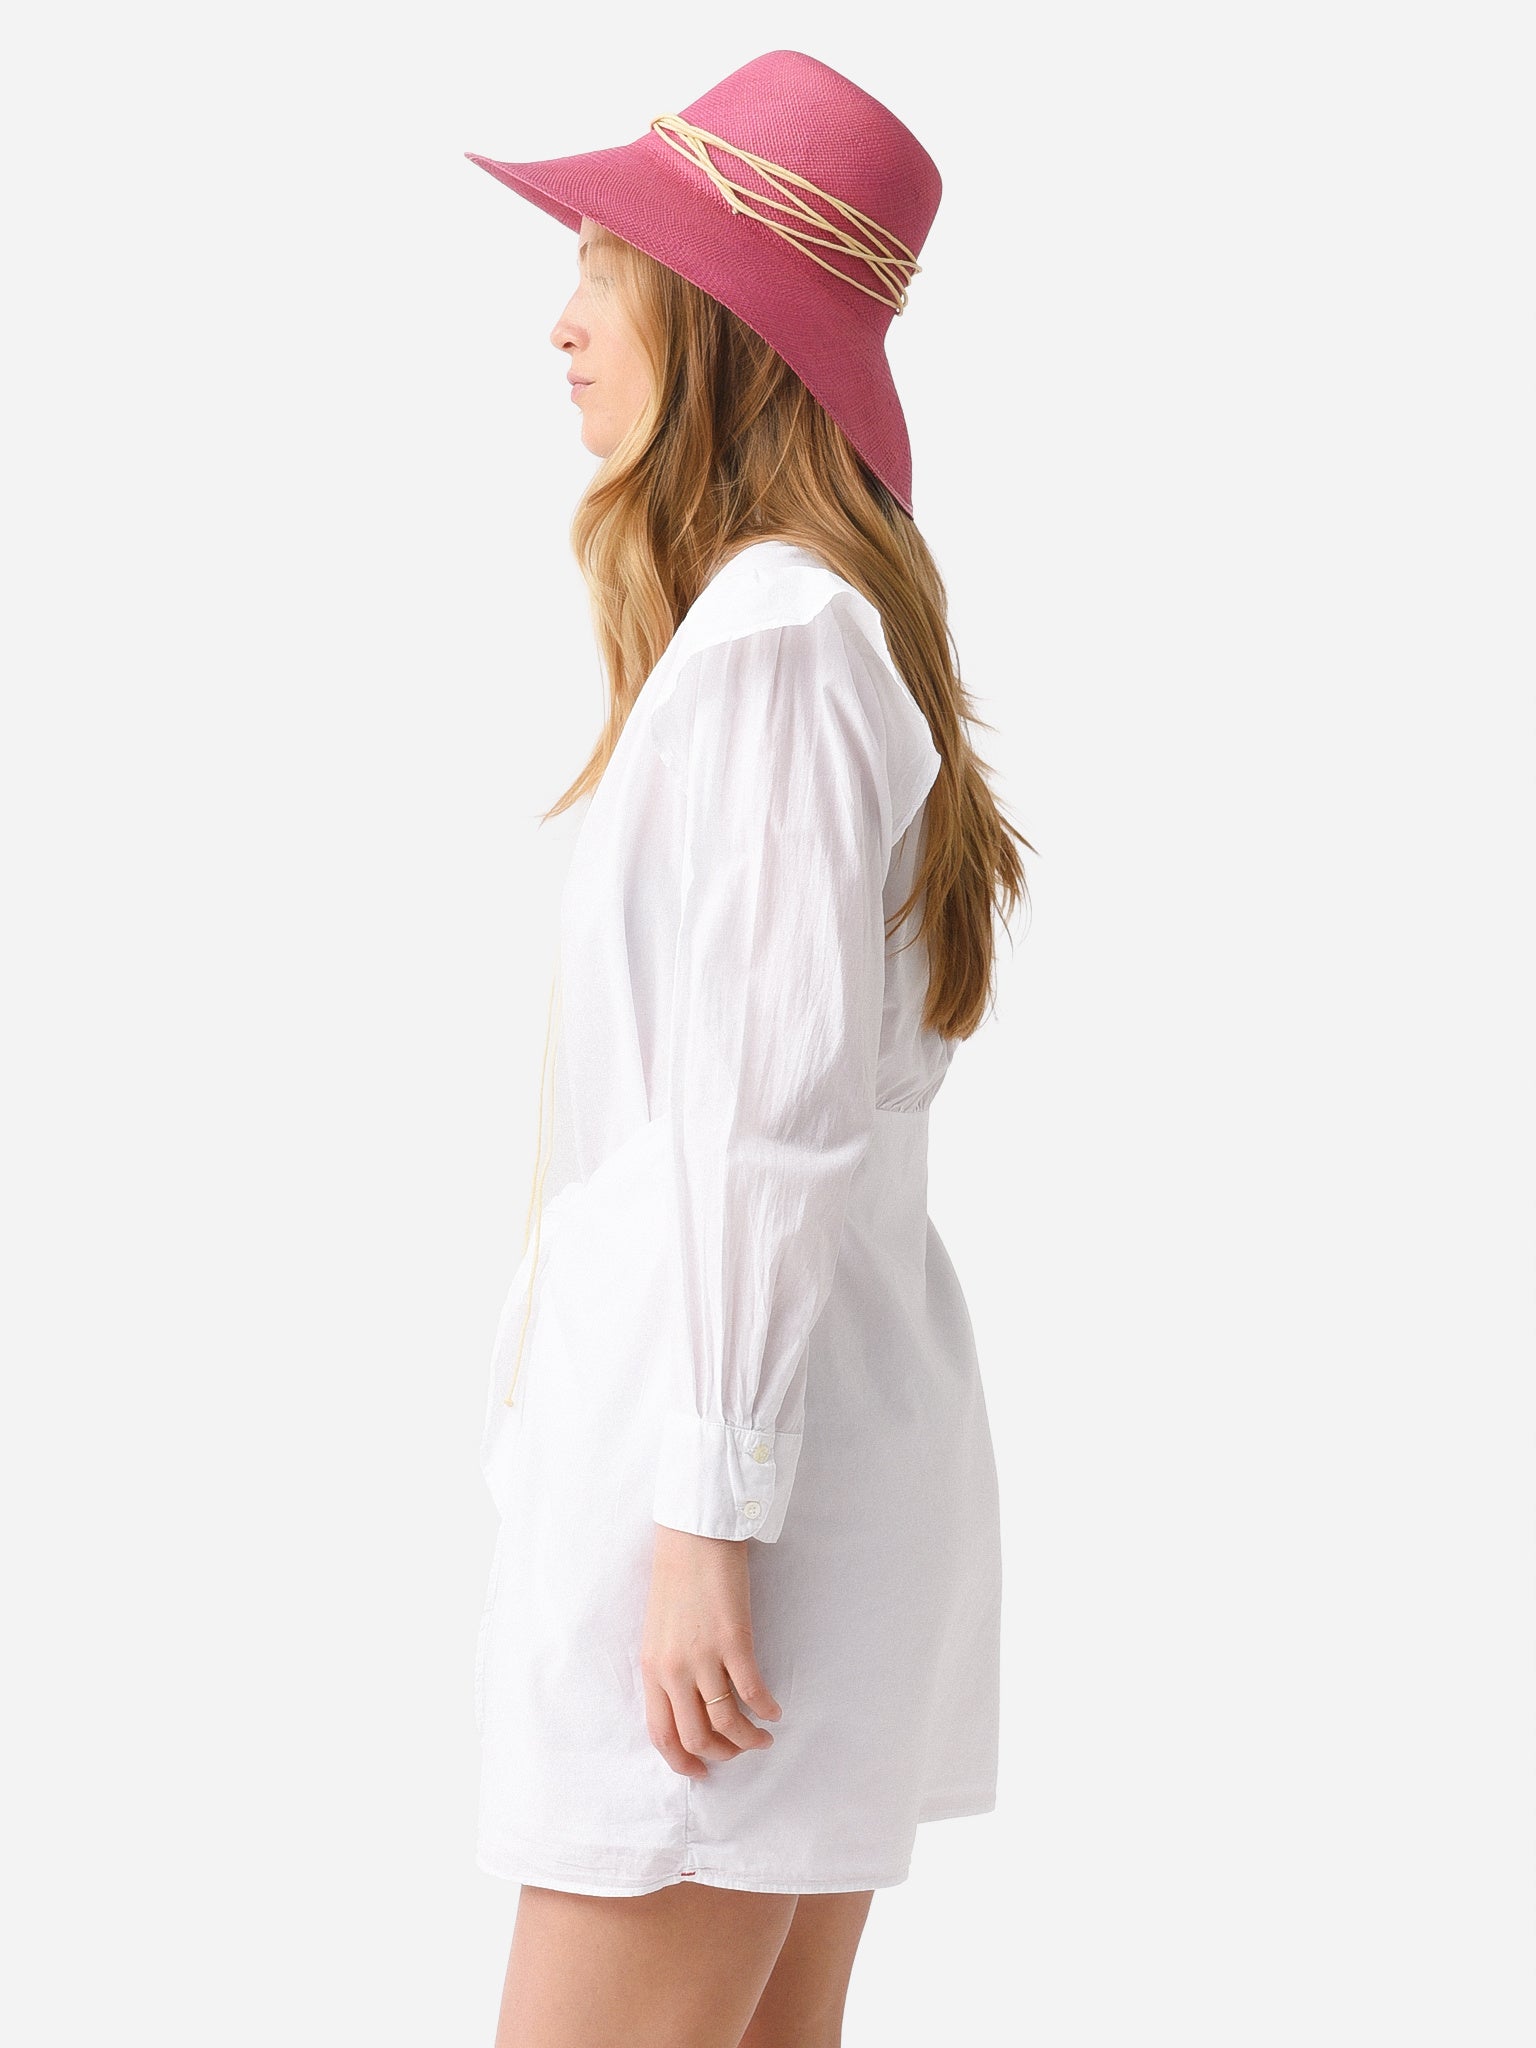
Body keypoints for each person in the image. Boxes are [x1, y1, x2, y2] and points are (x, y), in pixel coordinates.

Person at [464, 50, 1032, 2048]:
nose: (560, 322)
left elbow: (760, 1126)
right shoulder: (800, 633)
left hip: (729, 1502)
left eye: (601, 270)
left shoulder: (777, 647)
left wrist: (706, 1517)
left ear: (707, 319)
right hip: (780, 1465)